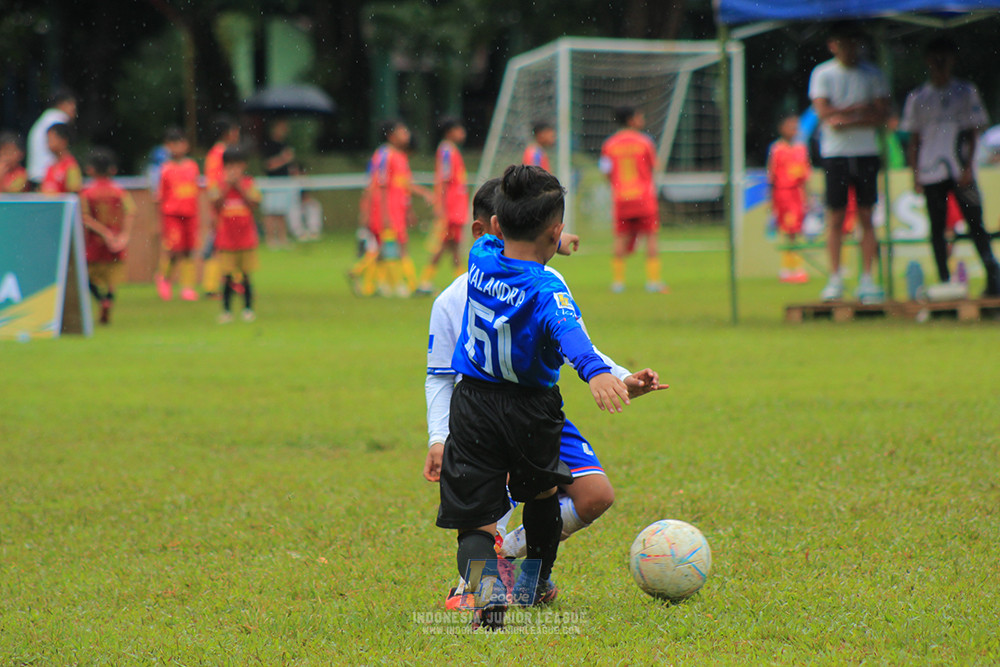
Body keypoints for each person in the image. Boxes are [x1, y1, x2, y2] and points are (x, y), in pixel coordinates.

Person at [423, 178, 665, 613]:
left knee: (476, 528)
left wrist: (556, 238)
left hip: (474, 406)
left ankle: (487, 592)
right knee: (541, 499)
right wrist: (593, 372)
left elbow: (510, 239)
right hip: (531, 410)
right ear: (552, 232)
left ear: (494, 226)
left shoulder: (479, 259)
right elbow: (569, 334)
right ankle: (532, 583)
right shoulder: (545, 288)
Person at [900, 37, 1000, 296]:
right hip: (931, 169)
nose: (940, 64)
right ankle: (945, 280)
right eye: (936, 59)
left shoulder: (965, 92)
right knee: (937, 227)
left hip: (960, 170)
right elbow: (914, 139)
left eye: (944, 58)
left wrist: (968, 168)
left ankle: (992, 277)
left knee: (975, 223)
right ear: (928, 61)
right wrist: (915, 174)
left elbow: (972, 132)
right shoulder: (918, 97)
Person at [808, 21, 889, 302]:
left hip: (866, 152)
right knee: (835, 217)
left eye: (853, 43)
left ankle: (867, 278)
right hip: (835, 155)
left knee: (866, 216)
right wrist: (857, 111)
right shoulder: (823, 73)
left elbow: (880, 114)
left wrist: (846, 116)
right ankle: (835, 278)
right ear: (833, 45)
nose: (849, 49)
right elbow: (825, 114)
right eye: (842, 43)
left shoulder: (872, 74)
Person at [349, 120, 433, 297]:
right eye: (403, 131)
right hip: (386, 209)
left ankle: (363, 277)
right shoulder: (384, 155)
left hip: (397, 209)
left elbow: (404, 185)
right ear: (391, 135)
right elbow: (380, 186)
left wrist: (410, 207)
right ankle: (409, 286)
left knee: (384, 248)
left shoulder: (399, 156)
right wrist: (382, 213)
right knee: (397, 246)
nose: (407, 134)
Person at [599, 106, 666, 293]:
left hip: (622, 198)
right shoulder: (645, 142)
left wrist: (617, 184)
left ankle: (618, 283)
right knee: (651, 236)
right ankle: (653, 281)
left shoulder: (609, 144)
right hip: (644, 197)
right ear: (631, 120)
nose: (642, 118)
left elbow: (605, 171)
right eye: (639, 115)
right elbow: (655, 166)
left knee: (620, 238)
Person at [79, 148, 135, 325]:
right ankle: (108, 300)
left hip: (95, 243)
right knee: (112, 279)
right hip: (116, 243)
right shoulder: (119, 192)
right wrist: (124, 235)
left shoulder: (87, 193)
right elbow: (131, 211)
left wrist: (104, 233)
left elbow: (85, 217)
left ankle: (101, 300)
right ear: (112, 169)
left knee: (87, 277)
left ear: (90, 170)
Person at [417, 117, 470, 294]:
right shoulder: (447, 151)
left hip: (455, 208)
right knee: (443, 246)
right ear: (450, 132)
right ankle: (424, 282)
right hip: (451, 209)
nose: (462, 133)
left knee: (453, 246)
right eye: (459, 129)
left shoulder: (452, 150)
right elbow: (444, 180)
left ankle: (462, 284)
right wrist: (441, 208)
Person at [211, 146, 261, 323]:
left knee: (246, 274)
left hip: (246, 238)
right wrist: (227, 186)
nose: (233, 171)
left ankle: (248, 309)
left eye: (237, 166)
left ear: (244, 166)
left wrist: (239, 186)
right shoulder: (219, 183)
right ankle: (226, 311)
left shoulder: (249, 183)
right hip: (226, 238)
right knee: (227, 275)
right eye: (229, 166)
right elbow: (215, 203)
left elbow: (254, 202)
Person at [155, 127, 201, 302]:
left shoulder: (192, 166)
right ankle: (164, 278)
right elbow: (160, 196)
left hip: (190, 215)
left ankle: (187, 286)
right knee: (174, 250)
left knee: (189, 250)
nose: (177, 148)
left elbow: (196, 192)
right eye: (173, 144)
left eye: (180, 143)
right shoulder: (165, 169)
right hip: (172, 215)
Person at [767, 115, 812, 283]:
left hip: (797, 194)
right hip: (784, 194)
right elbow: (772, 175)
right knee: (789, 230)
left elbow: (806, 175)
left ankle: (794, 268)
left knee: (796, 230)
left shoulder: (801, 149)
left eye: (796, 127)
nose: (794, 130)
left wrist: (807, 197)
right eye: (790, 127)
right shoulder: (777, 149)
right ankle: (789, 269)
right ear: (782, 129)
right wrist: (771, 200)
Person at [202, 115, 242, 297]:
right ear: (227, 133)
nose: (237, 134)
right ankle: (212, 287)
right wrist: (214, 207)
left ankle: (232, 282)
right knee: (218, 246)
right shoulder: (217, 155)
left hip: (230, 207)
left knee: (229, 244)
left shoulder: (227, 152)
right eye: (235, 131)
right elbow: (213, 184)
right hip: (221, 207)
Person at [26, 88, 77, 190]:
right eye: (71, 104)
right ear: (62, 104)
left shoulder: (45, 119)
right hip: (48, 176)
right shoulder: (59, 119)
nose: (74, 109)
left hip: (36, 175)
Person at [39, 124, 82, 195]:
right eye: (48, 140)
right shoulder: (50, 166)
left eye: (51, 139)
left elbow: (74, 194)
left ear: (63, 140)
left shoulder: (71, 166)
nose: (48, 144)